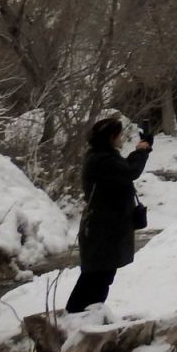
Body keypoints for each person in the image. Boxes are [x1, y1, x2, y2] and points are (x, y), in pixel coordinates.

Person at [65, 118, 152, 313]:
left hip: (104, 230)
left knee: (100, 277)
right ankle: (78, 318)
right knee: (96, 278)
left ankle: (85, 317)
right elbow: (130, 171)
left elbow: (124, 169)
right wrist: (142, 151)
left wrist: (142, 150)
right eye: (118, 135)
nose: (121, 138)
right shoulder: (102, 160)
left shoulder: (102, 156)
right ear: (111, 137)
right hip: (101, 232)